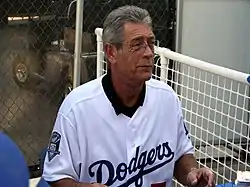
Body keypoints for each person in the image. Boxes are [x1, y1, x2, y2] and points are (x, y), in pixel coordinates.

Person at [42, 5, 215, 187]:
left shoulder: (167, 99)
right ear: (111, 53)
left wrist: (192, 173)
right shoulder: (76, 109)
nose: (148, 53)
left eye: (150, 43)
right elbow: (57, 176)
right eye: (137, 45)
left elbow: (181, 154)